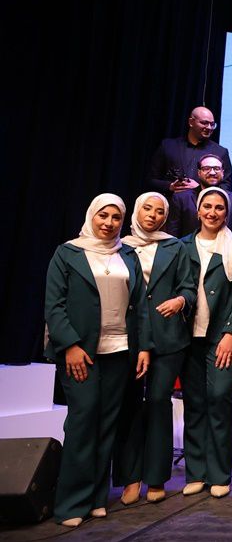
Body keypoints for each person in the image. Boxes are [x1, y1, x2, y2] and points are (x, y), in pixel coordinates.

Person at [44, 194, 150, 527]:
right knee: (83, 420)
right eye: (103, 215)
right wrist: (70, 345)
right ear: (91, 215)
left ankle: (95, 499)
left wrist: (144, 347)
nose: (109, 223)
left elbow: (140, 305)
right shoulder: (68, 253)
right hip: (81, 352)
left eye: (116, 217)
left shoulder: (127, 254)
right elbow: (54, 305)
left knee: (107, 423)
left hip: (120, 350)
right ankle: (70, 504)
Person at [113, 193, 195, 505]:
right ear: (136, 211)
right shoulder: (120, 246)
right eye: (147, 209)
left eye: (160, 211)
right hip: (129, 337)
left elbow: (188, 286)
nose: (153, 215)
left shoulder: (175, 246)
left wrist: (180, 300)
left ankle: (157, 477)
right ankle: (130, 478)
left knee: (159, 401)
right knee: (130, 404)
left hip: (168, 335)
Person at [180, 187, 232, 499]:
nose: (212, 212)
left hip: (221, 337)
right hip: (187, 338)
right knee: (194, 404)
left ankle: (219, 473)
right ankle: (196, 472)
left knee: (219, 399)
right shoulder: (182, 246)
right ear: (198, 210)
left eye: (219, 207)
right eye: (207, 206)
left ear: (227, 213)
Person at [148, 106, 232, 195]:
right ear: (191, 122)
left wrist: (200, 189)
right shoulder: (168, 146)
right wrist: (170, 186)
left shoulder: (220, 152)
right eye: (204, 123)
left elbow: (227, 186)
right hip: (171, 201)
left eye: (212, 124)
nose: (209, 127)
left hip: (203, 203)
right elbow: (151, 180)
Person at [167, 154, 232, 236]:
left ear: (223, 173)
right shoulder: (181, 199)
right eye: (206, 168)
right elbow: (173, 235)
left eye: (217, 168)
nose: (212, 172)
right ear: (199, 173)